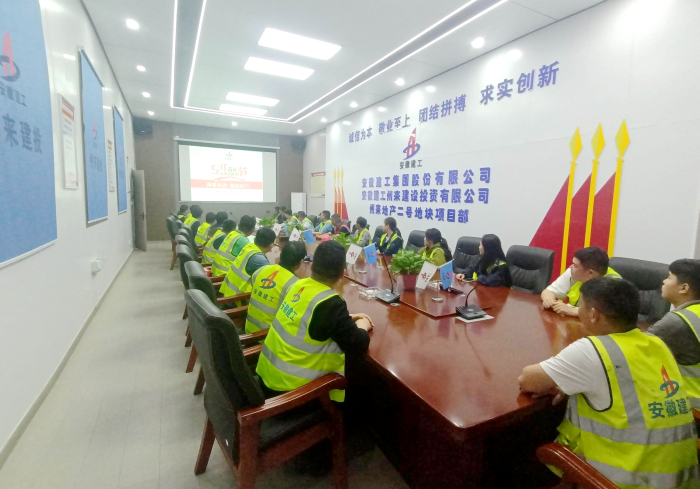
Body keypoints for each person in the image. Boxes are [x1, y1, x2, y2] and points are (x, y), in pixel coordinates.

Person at [519, 278, 699, 488]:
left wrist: (563, 383)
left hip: (625, 482)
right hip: (682, 480)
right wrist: (569, 384)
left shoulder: (592, 350)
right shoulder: (657, 344)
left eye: (581, 305)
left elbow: (528, 380)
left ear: (593, 314)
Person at [256, 240, 373, 402]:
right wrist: (363, 324)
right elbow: (358, 344)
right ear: (342, 273)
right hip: (288, 393)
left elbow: (308, 317)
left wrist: (348, 317)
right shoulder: (331, 304)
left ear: (312, 266)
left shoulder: (298, 285)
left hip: (266, 375)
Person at [648, 259, 700, 409]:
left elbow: (633, 351)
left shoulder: (678, 322)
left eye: (669, 277)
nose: (664, 281)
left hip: (691, 409)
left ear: (684, 288)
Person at [245, 241, 308, 334]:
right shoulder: (295, 285)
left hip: (248, 328)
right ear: (300, 262)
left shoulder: (261, 270)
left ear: (280, 255)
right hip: (268, 336)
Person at [541, 247, 620, 318]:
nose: (570, 267)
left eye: (575, 265)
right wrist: (549, 301)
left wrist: (575, 311)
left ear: (590, 273)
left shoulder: (613, 284)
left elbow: (608, 318)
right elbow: (549, 291)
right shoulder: (573, 273)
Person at [220, 228, 276, 297]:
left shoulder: (248, 247)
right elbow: (270, 284)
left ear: (255, 239)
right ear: (271, 245)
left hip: (229, 291)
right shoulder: (259, 259)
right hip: (238, 297)